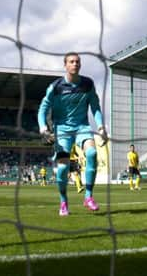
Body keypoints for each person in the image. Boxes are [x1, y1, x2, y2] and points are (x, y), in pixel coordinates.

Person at [38, 52, 107, 216]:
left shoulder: (88, 84)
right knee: (62, 168)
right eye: (71, 62)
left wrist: (102, 127)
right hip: (61, 130)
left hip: (82, 127)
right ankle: (63, 201)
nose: (75, 64)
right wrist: (43, 128)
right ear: (65, 65)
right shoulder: (55, 87)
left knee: (91, 153)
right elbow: (43, 109)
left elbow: (95, 107)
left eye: (77, 62)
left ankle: (88, 197)